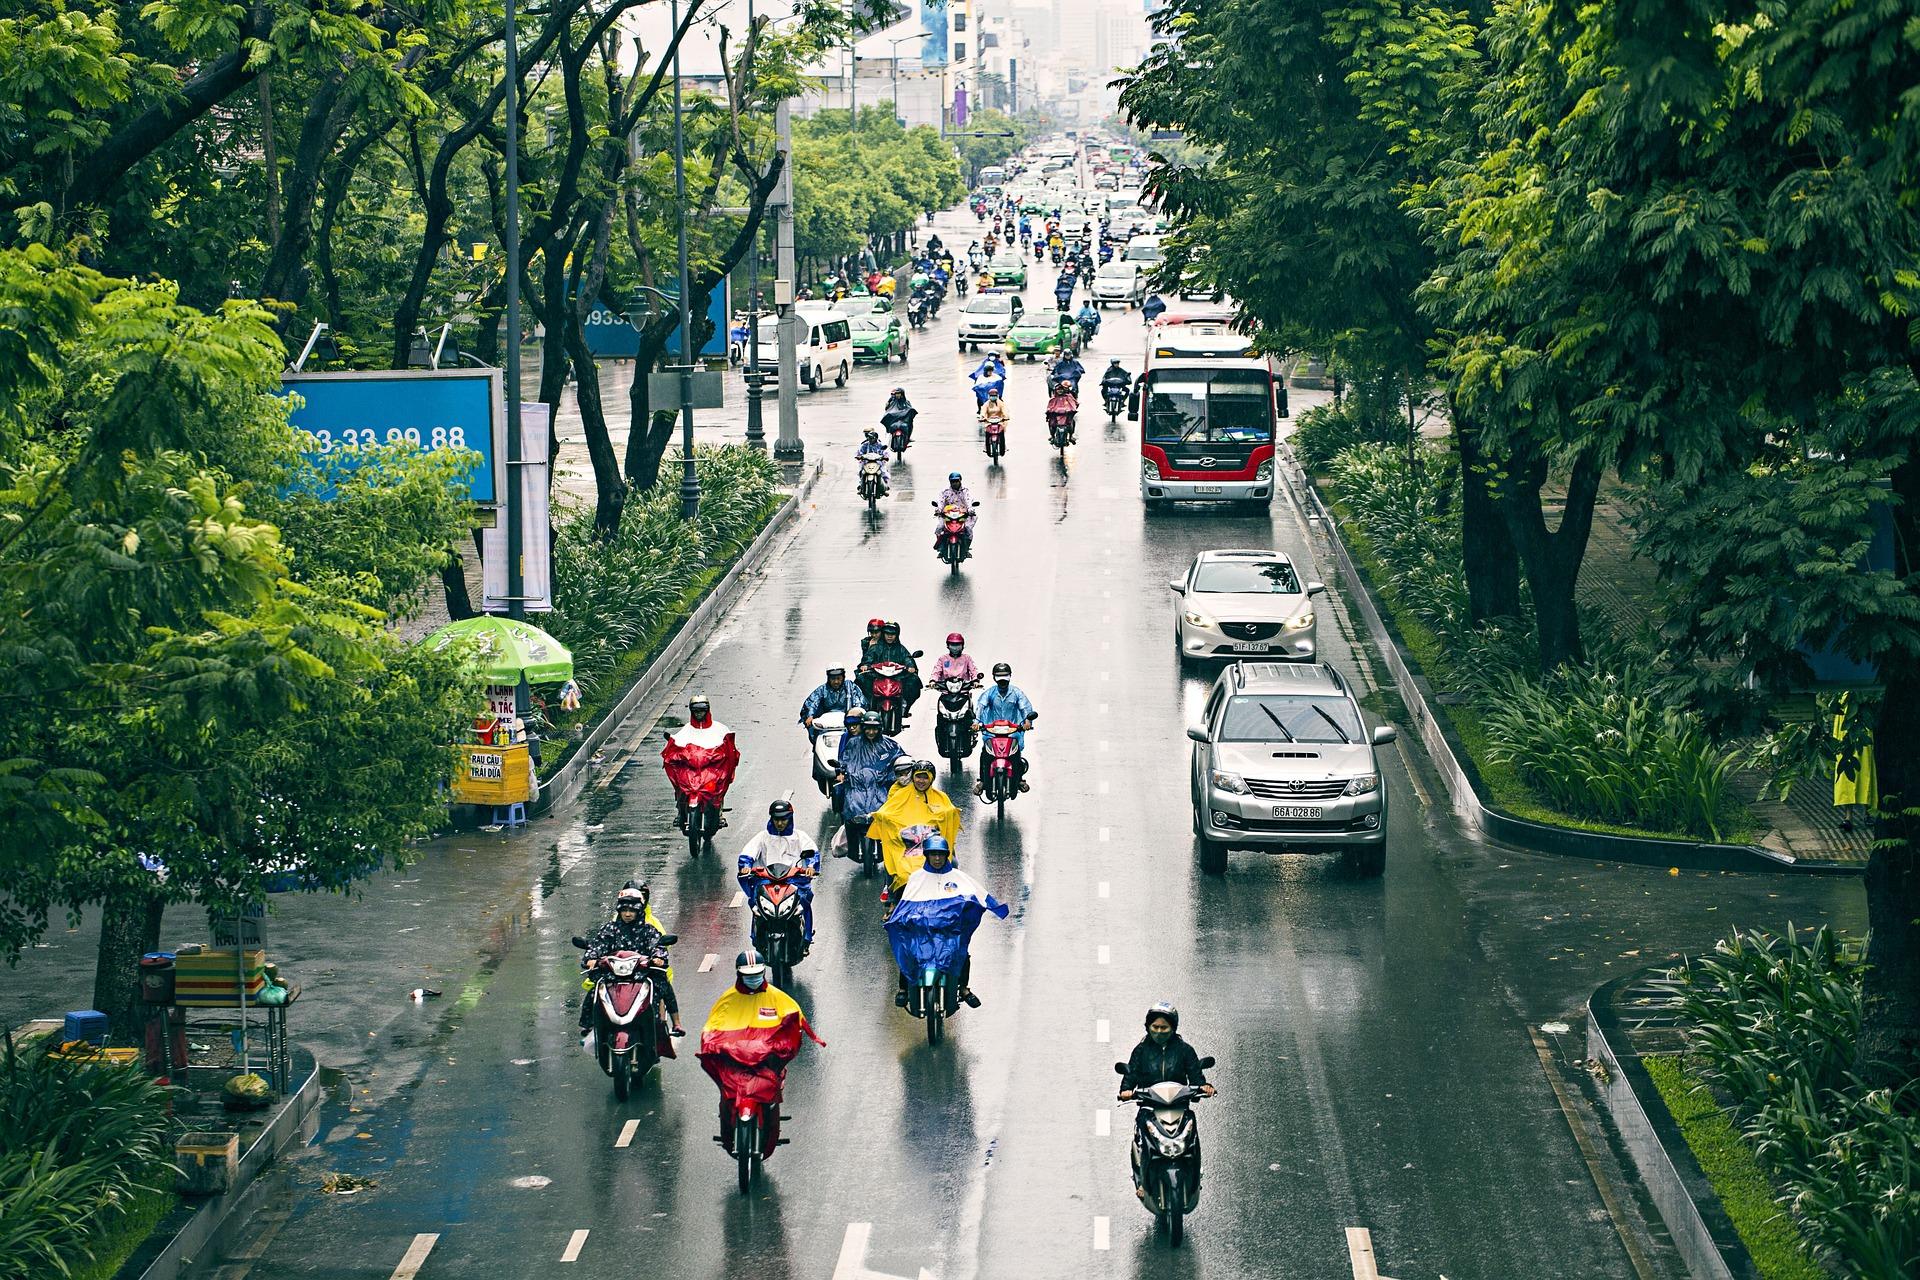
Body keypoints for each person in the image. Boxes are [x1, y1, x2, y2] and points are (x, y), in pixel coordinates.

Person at [698, 949, 823, 1157]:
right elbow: (712, 1029)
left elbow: (794, 1021)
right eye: (748, 976)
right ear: (740, 975)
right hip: (736, 1063)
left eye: (757, 975)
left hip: (766, 1062)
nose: (753, 979)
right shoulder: (728, 999)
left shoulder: (777, 998)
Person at [884, 833, 1007, 1010]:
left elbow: (979, 895)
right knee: (907, 950)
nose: (937, 859)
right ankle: (903, 989)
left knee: (962, 952)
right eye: (933, 854)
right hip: (922, 931)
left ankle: (963, 989)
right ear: (926, 855)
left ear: (946, 855)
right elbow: (905, 905)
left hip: (948, 932)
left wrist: (996, 907)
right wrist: (895, 920)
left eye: (940, 855)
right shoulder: (916, 878)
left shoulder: (958, 877)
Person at [1118, 1003, 1214, 1197]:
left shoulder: (1185, 1050)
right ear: (1148, 1027)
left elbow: (1196, 1075)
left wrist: (1204, 1087)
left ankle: (1195, 1179)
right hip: (1150, 1107)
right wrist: (1126, 1090)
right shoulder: (1141, 1051)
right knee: (1143, 1140)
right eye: (1155, 1027)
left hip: (1179, 1106)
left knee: (1192, 1137)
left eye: (1164, 1028)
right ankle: (1143, 1182)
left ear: (1173, 1028)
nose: (1159, 1032)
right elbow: (1131, 1075)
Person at [579, 882, 684, 1043]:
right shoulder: (610, 929)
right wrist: (591, 958)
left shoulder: (648, 930)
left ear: (639, 911)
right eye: (624, 910)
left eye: (632, 911)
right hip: (613, 975)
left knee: (663, 985)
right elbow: (598, 945)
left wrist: (658, 957)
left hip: (641, 975)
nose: (628, 914)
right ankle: (589, 1025)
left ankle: (676, 1023)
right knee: (595, 991)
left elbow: (658, 945)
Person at [869, 760, 962, 898]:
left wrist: (952, 814)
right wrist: (878, 816)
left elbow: (948, 813)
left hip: (931, 846)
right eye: (918, 776)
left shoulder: (941, 797)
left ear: (931, 778)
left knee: (952, 863)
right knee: (893, 865)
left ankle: (952, 897)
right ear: (913, 777)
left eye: (925, 777)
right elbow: (887, 812)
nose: (921, 781)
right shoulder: (900, 794)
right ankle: (892, 902)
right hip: (906, 846)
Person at [738, 799, 821, 943]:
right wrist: (745, 866)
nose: (780, 823)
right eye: (777, 819)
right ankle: (756, 936)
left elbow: (813, 854)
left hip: (793, 881)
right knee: (755, 903)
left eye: (784, 819)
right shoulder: (763, 837)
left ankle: (807, 936)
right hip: (766, 881)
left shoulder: (800, 837)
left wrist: (810, 868)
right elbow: (747, 854)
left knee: (804, 901)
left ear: (790, 818)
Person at [662, 694, 739, 833]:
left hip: (712, 771)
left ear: (707, 710)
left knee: (718, 786)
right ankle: (681, 811)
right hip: (691, 771)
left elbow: (730, 749)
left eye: (702, 710)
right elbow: (676, 744)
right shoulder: (686, 730)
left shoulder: (720, 729)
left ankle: (719, 811)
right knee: (680, 786)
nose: (699, 714)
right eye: (696, 711)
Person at [832, 709, 906, 855]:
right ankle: (851, 846)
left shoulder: (890, 745)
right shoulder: (853, 744)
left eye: (874, 728)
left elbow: (901, 759)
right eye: (868, 728)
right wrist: (841, 772)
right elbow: (844, 761)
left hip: (881, 788)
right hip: (856, 787)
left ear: (879, 728)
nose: (871, 732)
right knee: (847, 807)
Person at [973, 663, 1037, 794]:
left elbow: (1025, 708)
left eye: (1005, 676)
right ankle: (983, 781)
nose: (1002, 679)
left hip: (1012, 731)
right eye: (999, 676)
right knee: (985, 754)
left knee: (1016, 754)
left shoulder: (1016, 693)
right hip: (992, 731)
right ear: (994, 677)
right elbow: (980, 707)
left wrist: (1027, 721)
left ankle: (1019, 779)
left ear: (1010, 676)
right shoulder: (989, 693)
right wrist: (976, 722)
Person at [858, 620, 922, 713]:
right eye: (887, 633)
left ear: (897, 635)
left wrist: (910, 666)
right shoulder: (875, 648)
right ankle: (868, 706)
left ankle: (905, 705)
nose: (890, 636)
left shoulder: (901, 649)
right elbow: (868, 658)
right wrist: (865, 665)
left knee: (915, 681)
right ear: (883, 634)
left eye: (893, 633)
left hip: (897, 678)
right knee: (860, 679)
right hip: (878, 677)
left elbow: (908, 658)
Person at [799, 666, 864, 731]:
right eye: (833, 679)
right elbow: (812, 702)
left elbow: (859, 702)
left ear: (843, 677)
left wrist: (856, 713)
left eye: (839, 678)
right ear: (828, 679)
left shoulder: (850, 687)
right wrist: (810, 715)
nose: (836, 682)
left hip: (847, 722)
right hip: (825, 724)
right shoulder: (822, 689)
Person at [933, 471, 976, 558]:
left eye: (956, 481)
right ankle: (941, 548)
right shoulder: (945, 492)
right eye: (952, 481)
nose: (955, 483)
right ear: (950, 482)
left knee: (968, 529)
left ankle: (966, 549)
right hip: (947, 516)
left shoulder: (965, 491)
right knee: (939, 527)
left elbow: (968, 500)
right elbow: (941, 502)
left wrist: (970, 509)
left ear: (960, 481)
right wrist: (938, 509)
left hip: (962, 516)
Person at [855, 427, 892, 494]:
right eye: (869, 438)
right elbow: (860, 452)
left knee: (883, 472)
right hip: (866, 462)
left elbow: (885, 452)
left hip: (878, 462)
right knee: (861, 472)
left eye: (872, 438)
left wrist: (884, 457)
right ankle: (861, 486)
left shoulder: (880, 444)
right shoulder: (865, 444)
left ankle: (885, 486)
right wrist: (859, 456)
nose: (870, 439)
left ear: (875, 438)